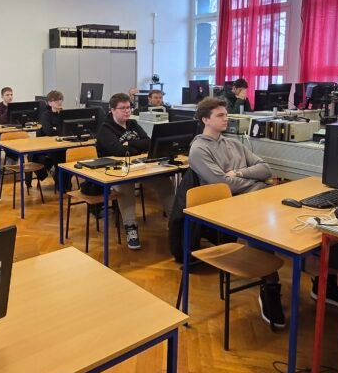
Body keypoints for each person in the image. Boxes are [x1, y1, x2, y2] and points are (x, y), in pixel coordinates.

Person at [189, 97, 285, 328]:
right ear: (205, 120)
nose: (226, 118)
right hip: (225, 207)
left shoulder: (233, 143)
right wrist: (255, 183)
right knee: (262, 227)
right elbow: (223, 184)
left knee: (282, 220)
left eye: (226, 114)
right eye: (220, 115)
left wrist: (240, 173)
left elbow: (266, 169)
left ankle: (316, 281)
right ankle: (270, 285)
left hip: (250, 199)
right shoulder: (198, 149)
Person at [95, 93, 175, 251]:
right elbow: (118, 151)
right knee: (125, 186)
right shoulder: (105, 129)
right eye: (122, 108)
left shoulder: (133, 124)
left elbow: (148, 143)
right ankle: (130, 227)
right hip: (115, 171)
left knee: (163, 180)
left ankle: (175, 221)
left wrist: (129, 143)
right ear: (112, 110)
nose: (127, 111)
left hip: (139, 166)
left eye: (129, 107)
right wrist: (136, 146)